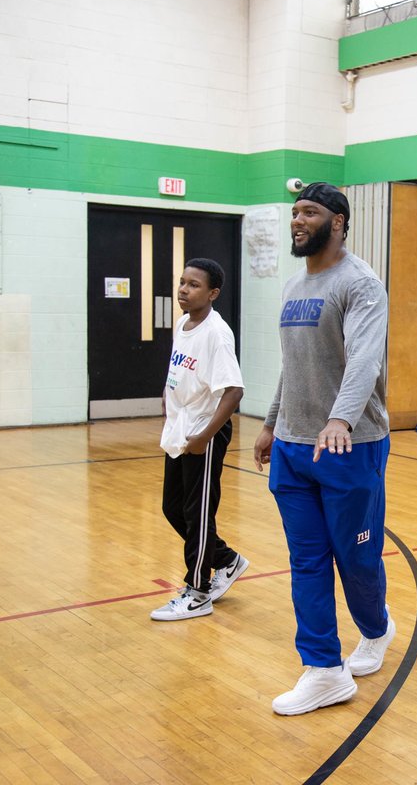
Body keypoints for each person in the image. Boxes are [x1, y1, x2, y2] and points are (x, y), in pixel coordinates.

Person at [252, 182, 394, 715]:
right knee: (306, 560)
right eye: (293, 212)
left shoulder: (361, 285)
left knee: (355, 557)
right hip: (292, 446)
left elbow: (363, 361)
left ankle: (376, 629)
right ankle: (324, 669)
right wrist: (271, 422)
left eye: (308, 212)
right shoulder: (292, 288)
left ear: (337, 221)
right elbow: (294, 366)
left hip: (350, 444)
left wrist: (339, 417)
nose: (296, 220)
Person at [151, 258, 247, 621]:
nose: (183, 290)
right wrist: (167, 396)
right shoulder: (183, 322)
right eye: (182, 282)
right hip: (181, 427)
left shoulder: (216, 334)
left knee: (197, 513)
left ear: (213, 293)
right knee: (172, 507)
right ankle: (227, 560)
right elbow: (179, 368)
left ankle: (197, 591)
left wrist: (204, 436)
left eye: (193, 285)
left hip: (204, 431)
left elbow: (234, 391)